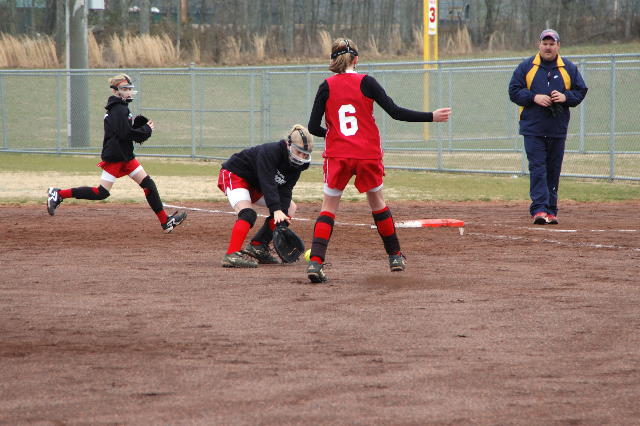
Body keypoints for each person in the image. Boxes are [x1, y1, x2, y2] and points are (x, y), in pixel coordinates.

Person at [305, 38, 452, 283]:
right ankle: (394, 256)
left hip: (338, 155)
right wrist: (431, 116)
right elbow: (395, 112)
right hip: (367, 153)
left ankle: (316, 262)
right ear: (356, 59)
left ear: (333, 61)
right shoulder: (367, 82)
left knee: (328, 208)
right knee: (377, 204)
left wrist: (333, 135)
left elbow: (312, 127)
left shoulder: (326, 86)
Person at [46, 73, 187, 233]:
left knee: (148, 184)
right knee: (101, 192)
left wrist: (136, 128)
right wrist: (146, 129)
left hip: (125, 156)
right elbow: (124, 134)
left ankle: (165, 221)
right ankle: (59, 194)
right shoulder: (119, 109)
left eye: (129, 89)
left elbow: (124, 131)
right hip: (116, 157)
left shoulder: (120, 107)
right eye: (124, 89)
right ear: (115, 91)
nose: (128, 91)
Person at [508, 29, 588, 225]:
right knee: (538, 168)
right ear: (539, 45)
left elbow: (580, 91)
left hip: (557, 128)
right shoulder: (527, 66)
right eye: (545, 43)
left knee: (553, 169)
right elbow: (514, 91)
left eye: (552, 44)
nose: (548, 47)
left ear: (558, 46)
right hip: (533, 128)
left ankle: (551, 211)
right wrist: (533, 97)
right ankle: (539, 210)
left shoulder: (568, 68)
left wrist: (565, 97)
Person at [217, 124, 313, 268]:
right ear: (289, 145)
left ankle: (258, 246)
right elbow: (268, 182)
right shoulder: (271, 151)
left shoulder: (297, 166)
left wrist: (281, 221)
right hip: (236, 175)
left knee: (289, 209)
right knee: (248, 214)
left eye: (305, 154)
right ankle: (231, 255)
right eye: (298, 152)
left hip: (256, 185)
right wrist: (276, 209)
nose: (301, 157)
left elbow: (285, 190)